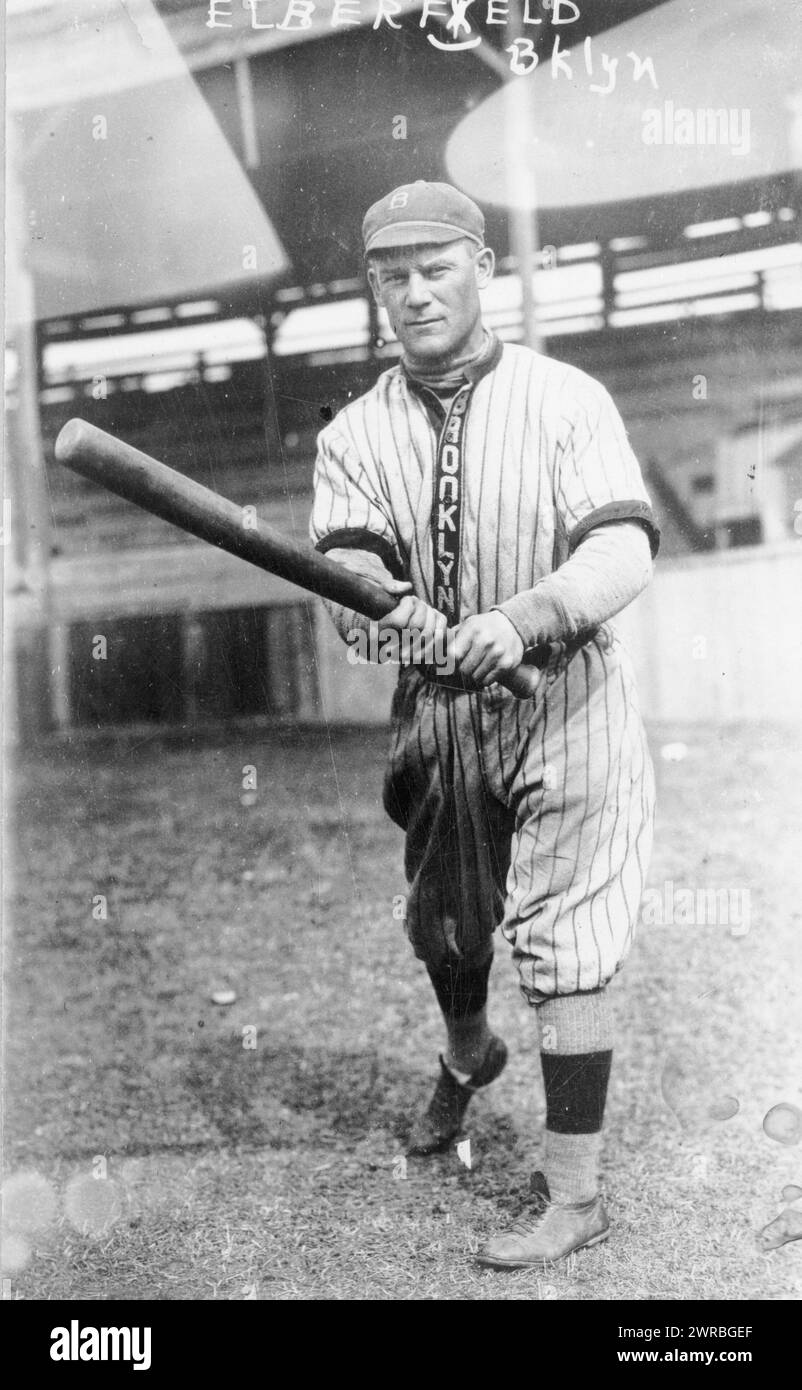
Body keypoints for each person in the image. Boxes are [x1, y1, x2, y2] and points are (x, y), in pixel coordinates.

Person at [309, 181, 659, 1268]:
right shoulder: (355, 431)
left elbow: (623, 549)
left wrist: (523, 616)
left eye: (435, 270)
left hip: (565, 696)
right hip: (443, 714)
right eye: (391, 278)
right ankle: (468, 1052)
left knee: (569, 937)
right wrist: (377, 598)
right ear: (373, 289)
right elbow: (345, 561)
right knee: (447, 923)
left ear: (483, 269)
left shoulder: (565, 399)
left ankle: (575, 1192)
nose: (414, 296)